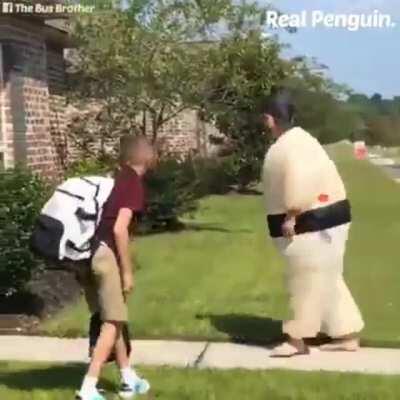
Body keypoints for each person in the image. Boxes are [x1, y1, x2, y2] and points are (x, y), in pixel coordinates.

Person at [261, 89, 364, 357]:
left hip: (311, 222)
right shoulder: (302, 140)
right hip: (326, 219)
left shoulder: (291, 146)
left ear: (269, 119)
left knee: (304, 278)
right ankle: (346, 334)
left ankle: (296, 340)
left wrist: (292, 215)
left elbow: (299, 180)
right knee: (327, 279)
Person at [76, 135, 156, 400]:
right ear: (147, 157)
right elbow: (120, 229)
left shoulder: (116, 178)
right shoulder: (132, 182)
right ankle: (89, 385)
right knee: (112, 320)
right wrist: (127, 271)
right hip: (105, 254)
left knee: (114, 316)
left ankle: (127, 378)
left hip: (87, 252)